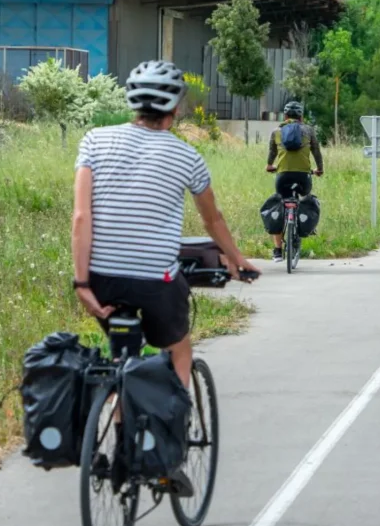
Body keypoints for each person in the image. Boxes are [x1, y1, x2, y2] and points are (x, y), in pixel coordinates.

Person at [72, 59, 259, 391]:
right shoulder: (188, 157)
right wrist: (237, 260)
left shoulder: (93, 141)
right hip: (155, 282)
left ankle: (121, 430)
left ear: (132, 100)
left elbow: (81, 217)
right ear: (174, 105)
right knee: (179, 349)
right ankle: (173, 426)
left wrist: (82, 284)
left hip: (101, 281)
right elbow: (212, 219)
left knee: (121, 361)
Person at [266, 101, 323, 262]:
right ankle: (306, 227)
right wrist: (319, 169)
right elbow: (317, 152)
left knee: (278, 205)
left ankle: (277, 251)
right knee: (305, 198)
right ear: (301, 116)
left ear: (285, 116)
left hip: (282, 177)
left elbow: (272, 152)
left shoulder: (276, 131)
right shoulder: (309, 131)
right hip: (303, 178)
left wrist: (270, 166)